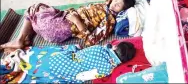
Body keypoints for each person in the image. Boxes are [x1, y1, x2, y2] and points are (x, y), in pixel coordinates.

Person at [0, 0, 136, 51]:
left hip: (65, 27)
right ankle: (24, 38)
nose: (114, 4)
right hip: (64, 16)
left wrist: (77, 22)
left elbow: (92, 40)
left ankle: (21, 39)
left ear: (121, 11)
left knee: (35, 13)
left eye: (118, 5)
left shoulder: (109, 21)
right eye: (116, 0)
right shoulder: (109, 3)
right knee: (36, 7)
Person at [6, 42, 135, 83]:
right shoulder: (108, 69)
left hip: (57, 58)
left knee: (69, 50)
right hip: (58, 72)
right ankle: (26, 71)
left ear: (115, 47)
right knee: (67, 77)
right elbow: (84, 76)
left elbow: (83, 52)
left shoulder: (99, 48)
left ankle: (25, 60)